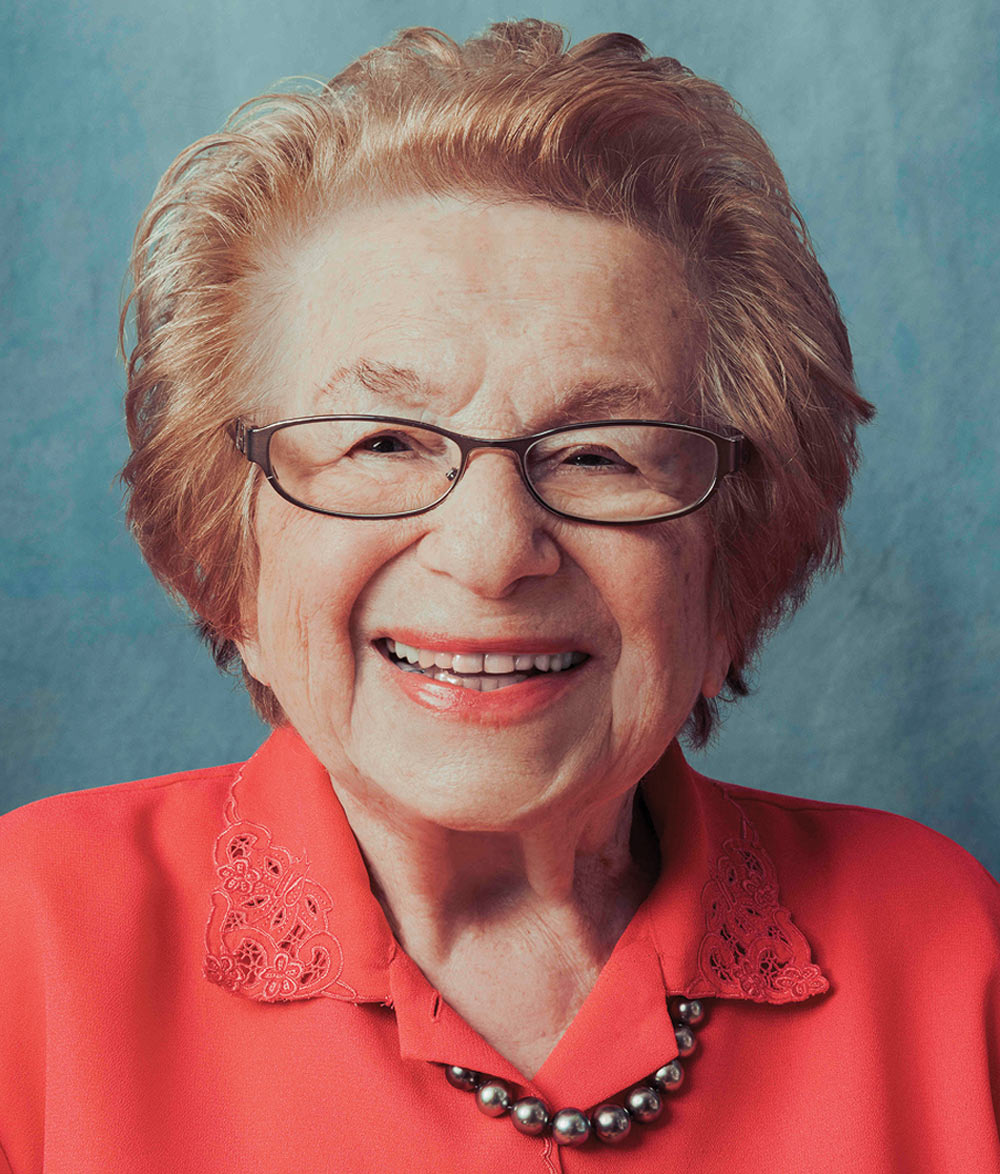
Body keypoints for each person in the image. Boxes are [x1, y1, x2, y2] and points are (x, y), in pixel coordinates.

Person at [1, 18, 997, 1173]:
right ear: (229, 548)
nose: (490, 552)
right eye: (380, 442)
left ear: (731, 551)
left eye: (600, 453)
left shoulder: (942, 944)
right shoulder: (30, 943)